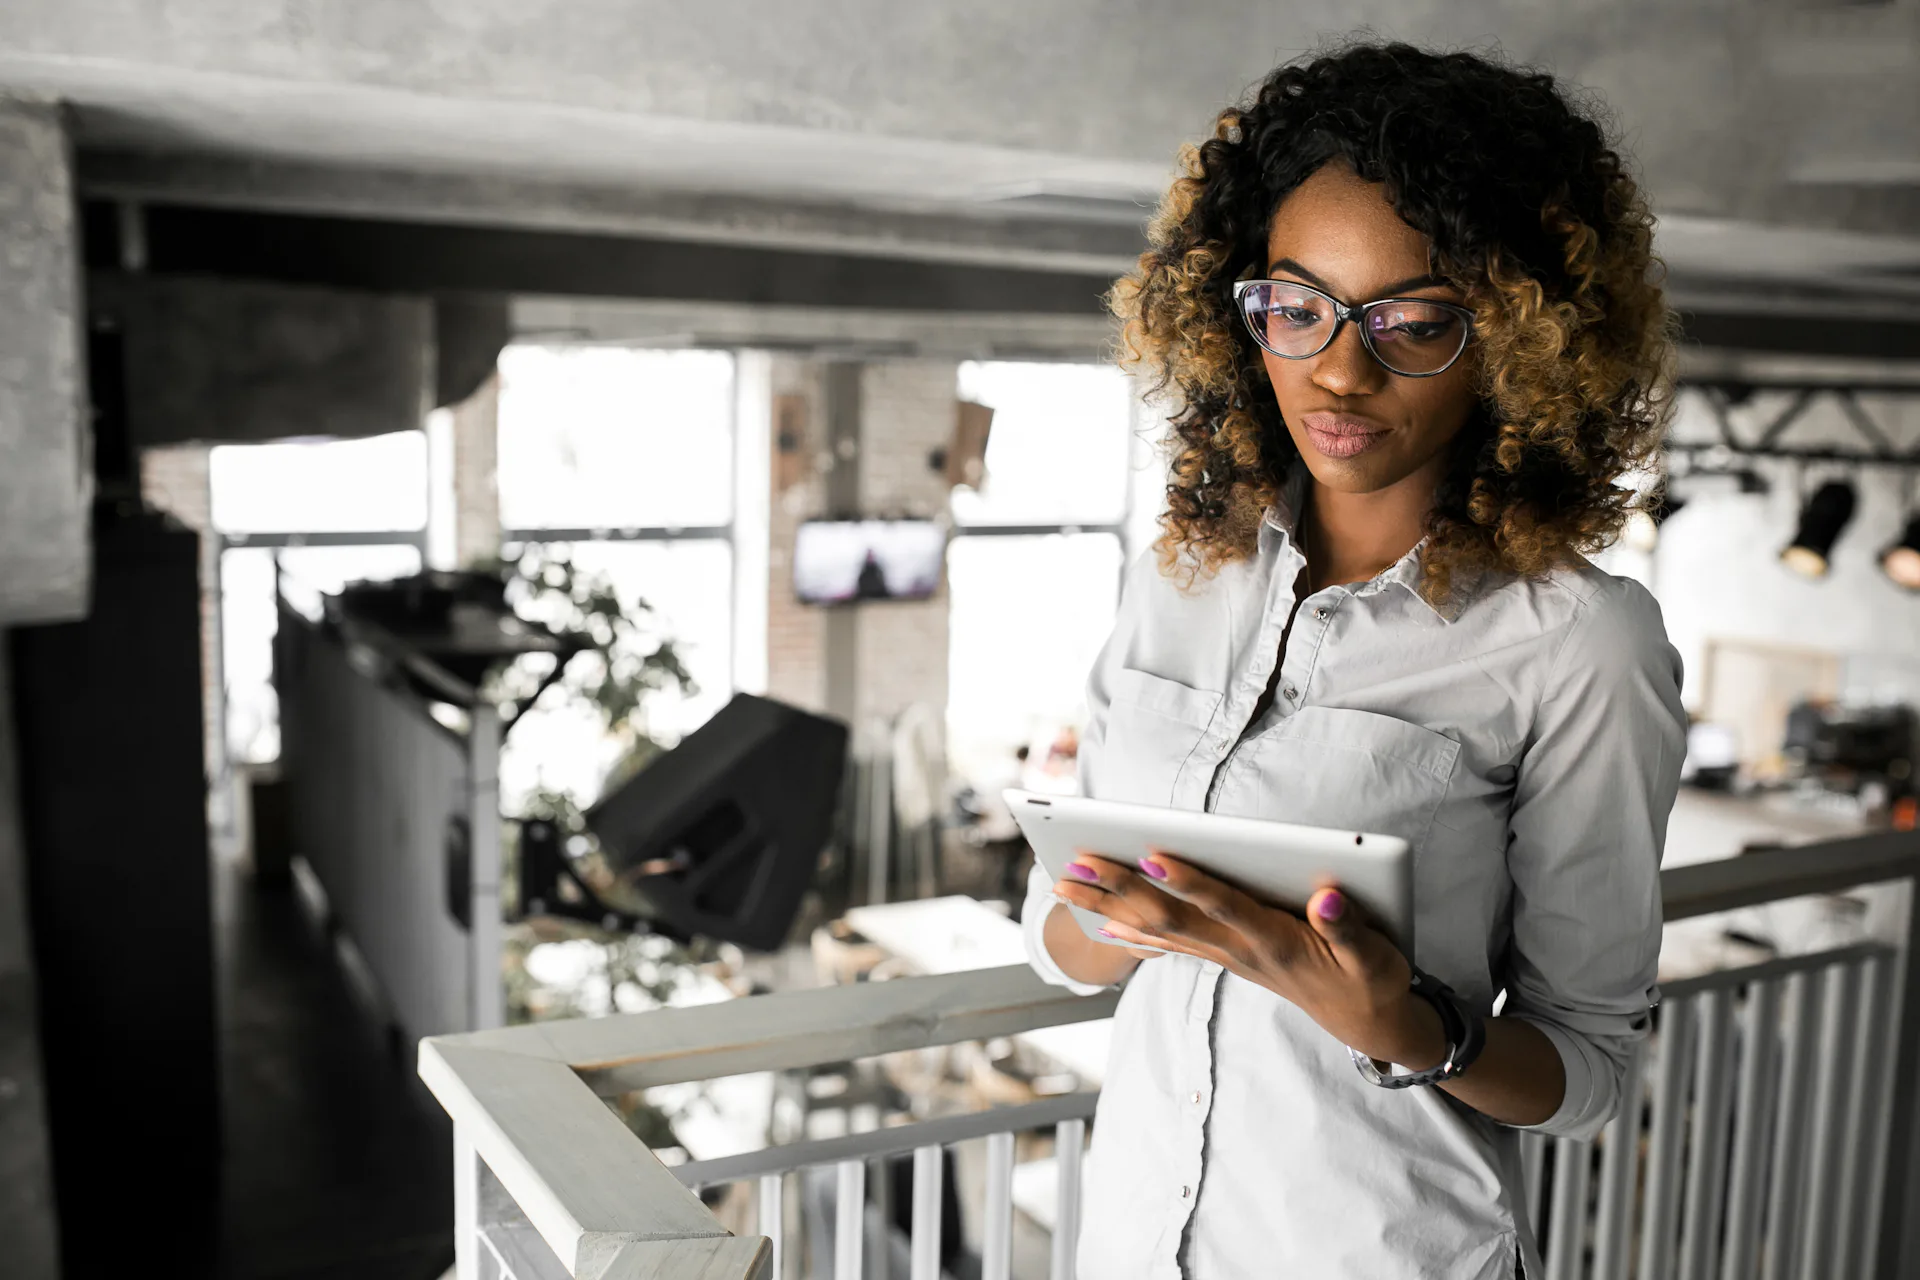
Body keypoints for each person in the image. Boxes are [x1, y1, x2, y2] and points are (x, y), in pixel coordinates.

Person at [1021, 41, 1686, 1279]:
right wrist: (1135, 920)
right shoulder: (1180, 573)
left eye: (1415, 322)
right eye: (1295, 306)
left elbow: (1587, 1071)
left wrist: (1411, 1028)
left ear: (1520, 341)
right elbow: (1059, 941)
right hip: (1124, 1241)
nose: (1338, 367)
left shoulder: (1581, 642)